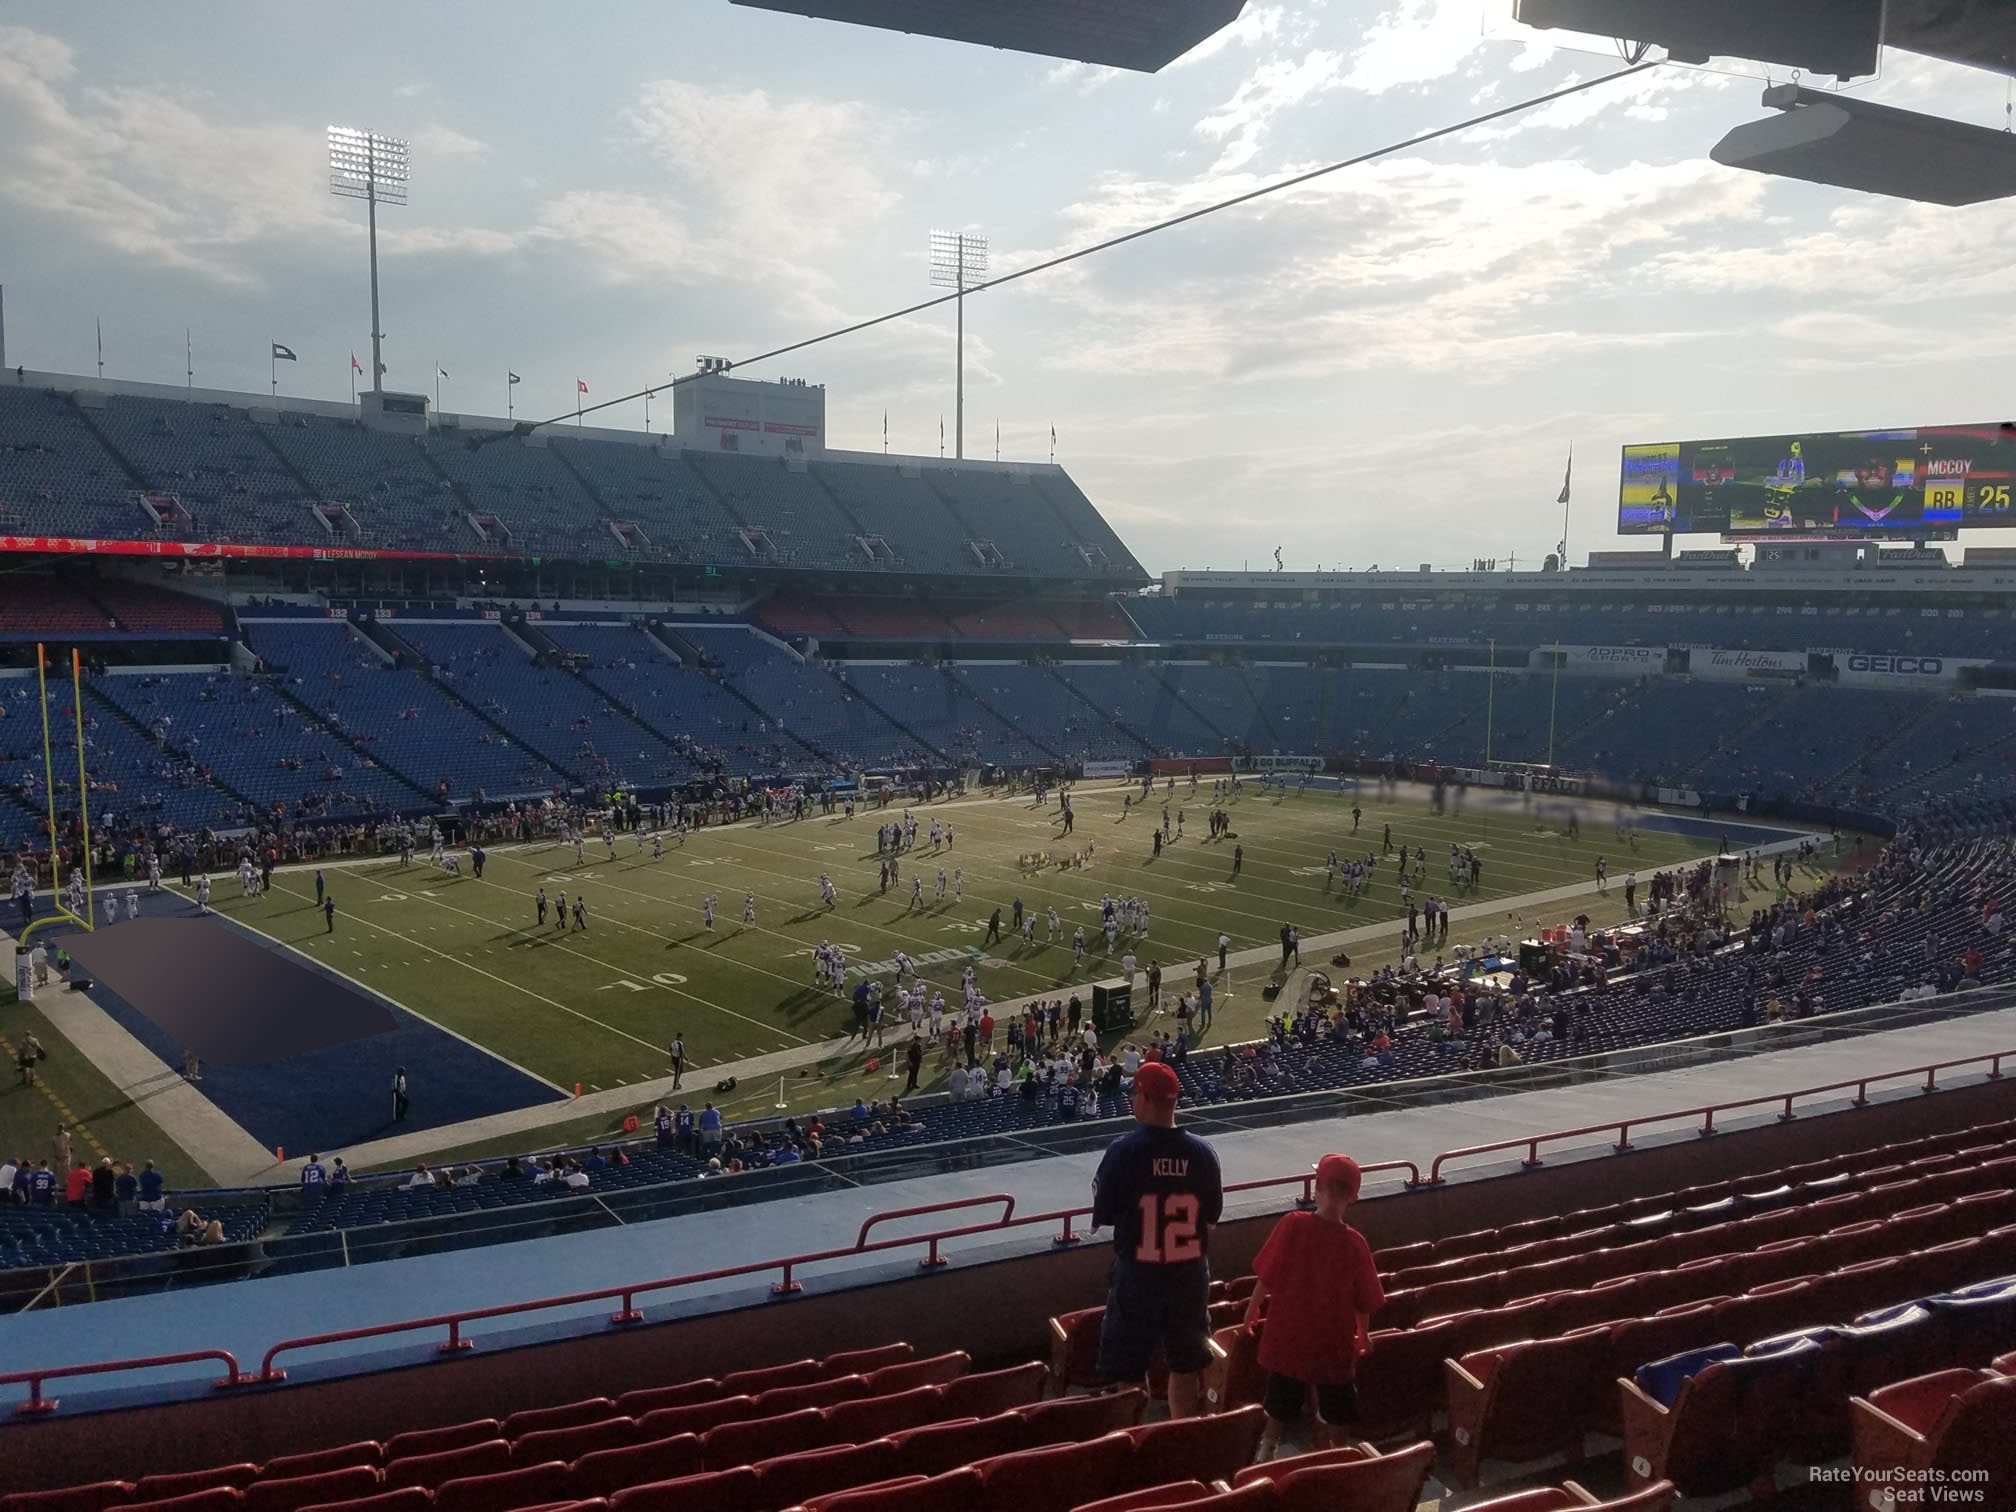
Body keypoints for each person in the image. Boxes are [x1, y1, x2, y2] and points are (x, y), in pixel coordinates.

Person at [1090, 1061, 1224, 1418]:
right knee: (1185, 1366)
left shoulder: (1123, 1152)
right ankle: (1182, 1438)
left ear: (1145, 1098)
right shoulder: (1202, 1154)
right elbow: (1211, 1218)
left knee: (1129, 1373)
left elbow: (1103, 1214)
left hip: (1139, 1275)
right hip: (1189, 1276)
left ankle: (1133, 1442)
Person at [1243, 1153, 1386, 1460]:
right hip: (1332, 1343)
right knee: (1337, 1405)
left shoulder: (1292, 1224)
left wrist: (1252, 1308)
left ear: (1318, 1188)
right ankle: (1339, 1453)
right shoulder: (1355, 1243)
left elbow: (1267, 1276)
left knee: (1279, 1401)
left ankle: (1267, 1449)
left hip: (1289, 1337)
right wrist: (1363, 1333)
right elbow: (1363, 1300)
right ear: (1354, 1197)